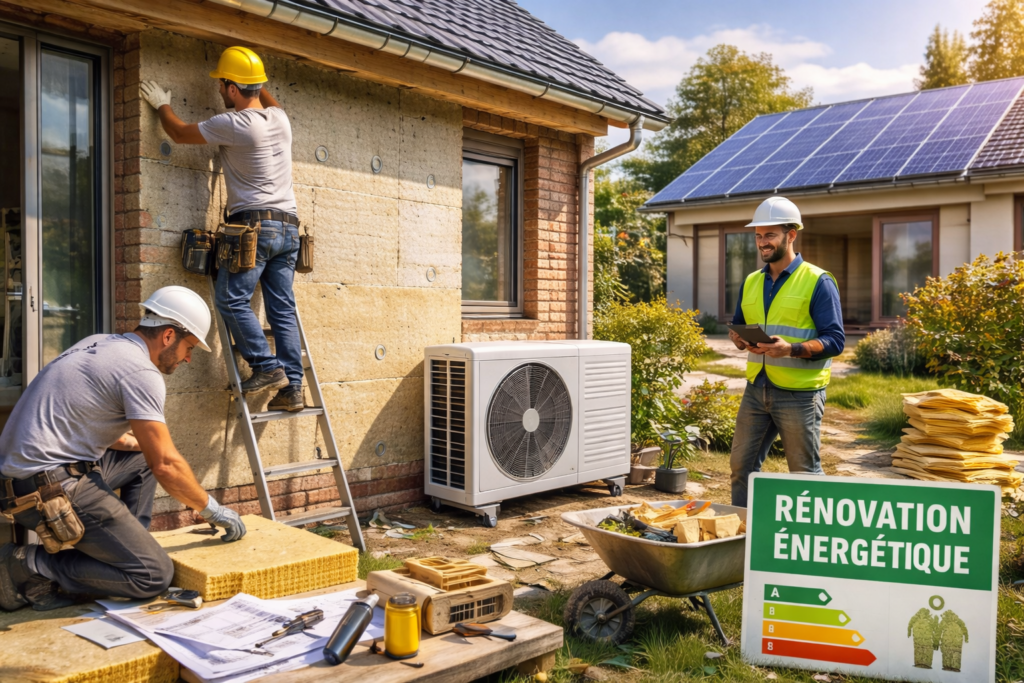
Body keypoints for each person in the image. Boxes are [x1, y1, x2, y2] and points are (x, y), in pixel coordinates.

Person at [0, 286, 246, 611]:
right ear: (169, 335)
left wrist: (132, 443)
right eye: (189, 347)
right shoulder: (141, 371)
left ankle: (126, 546)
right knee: (152, 575)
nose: (188, 358)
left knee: (141, 455)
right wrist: (211, 509)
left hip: (30, 475)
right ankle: (25, 564)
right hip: (46, 489)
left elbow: (83, 421)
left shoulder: (98, 343)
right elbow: (167, 465)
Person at [139, 46, 304, 412]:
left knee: (231, 299)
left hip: (255, 227)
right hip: (289, 229)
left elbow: (180, 133)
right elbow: (262, 94)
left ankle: (267, 367)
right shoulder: (281, 119)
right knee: (282, 309)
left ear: (231, 88)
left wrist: (161, 105)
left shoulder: (232, 124)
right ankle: (293, 387)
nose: (218, 90)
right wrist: (250, 74)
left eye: (221, 84)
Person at [728, 196, 845, 507]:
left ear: (791, 235)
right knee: (741, 468)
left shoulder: (818, 281)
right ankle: (742, 538)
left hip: (800, 395)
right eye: (758, 235)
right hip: (757, 388)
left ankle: (811, 543)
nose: (762, 243)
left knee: (804, 475)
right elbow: (740, 326)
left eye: (770, 235)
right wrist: (739, 339)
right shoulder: (752, 281)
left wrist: (790, 349)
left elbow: (835, 340)